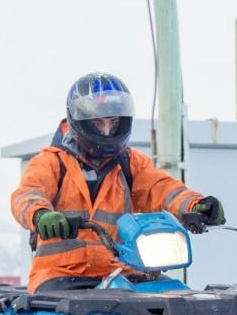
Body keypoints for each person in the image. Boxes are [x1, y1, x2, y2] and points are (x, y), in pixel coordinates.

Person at [12, 72, 224, 292]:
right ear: (79, 121)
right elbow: (27, 194)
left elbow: (162, 188)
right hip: (60, 275)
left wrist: (194, 205)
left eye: (113, 122)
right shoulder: (51, 162)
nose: (106, 131)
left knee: (174, 298)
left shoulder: (130, 163)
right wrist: (41, 215)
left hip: (120, 271)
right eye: (97, 123)